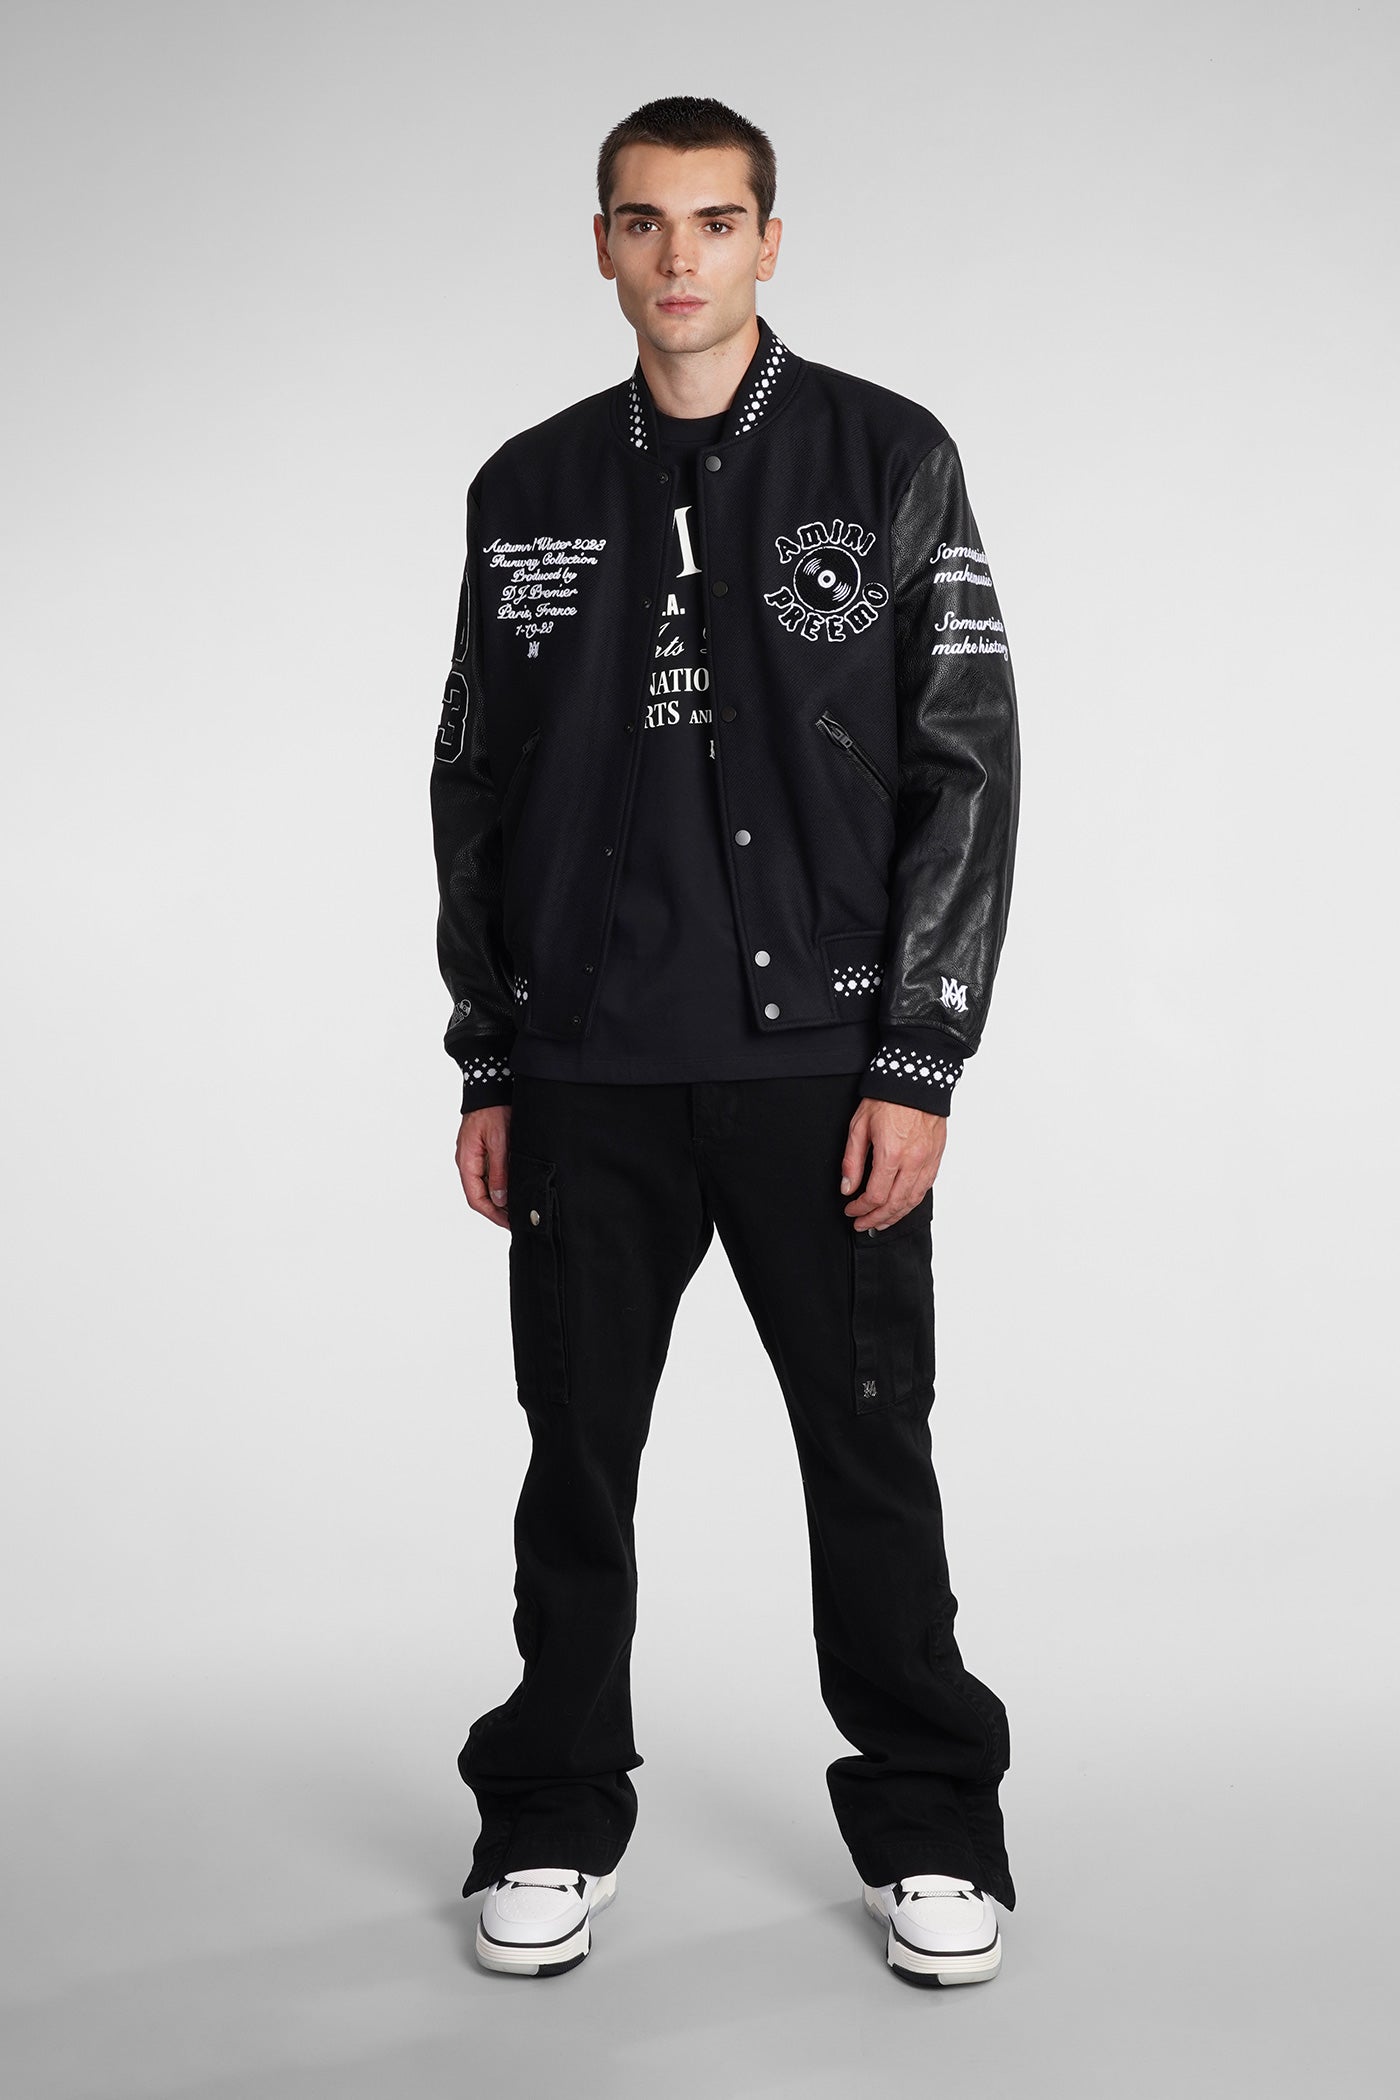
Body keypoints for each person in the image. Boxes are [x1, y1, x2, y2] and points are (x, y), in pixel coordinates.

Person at [430, 94, 1022, 1987]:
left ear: (771, 240)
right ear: (601, 245)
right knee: (574, 1463)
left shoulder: (888, 456)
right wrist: (490, 1053)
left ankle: (934, 1827)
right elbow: (471, 784)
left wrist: (917, 1056)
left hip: (820, 1074)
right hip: (585, 1076)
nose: (677, 255)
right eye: (642, 220)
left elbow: (965, 768)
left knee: (870, 1457)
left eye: (713, 219)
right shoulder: (525, 488)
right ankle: (547, 1814)